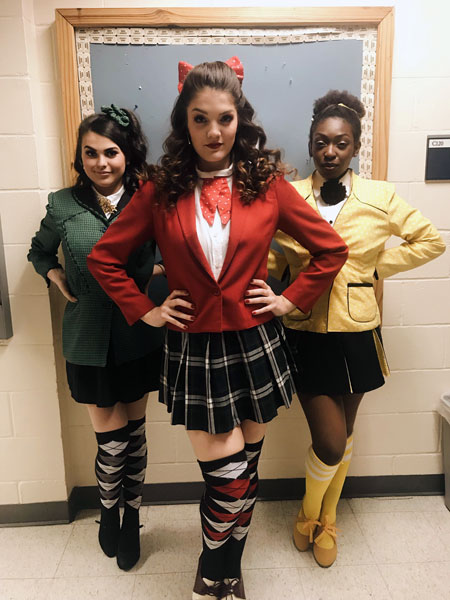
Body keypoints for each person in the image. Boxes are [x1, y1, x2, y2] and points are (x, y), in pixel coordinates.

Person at [87, 59, 348, 600]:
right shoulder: (159, 189)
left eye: (224, 119)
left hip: (257, 344)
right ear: (185, 119)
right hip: (196, 348)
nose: (213, 132)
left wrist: (286, 300)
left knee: (245, 472)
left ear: (239, 118)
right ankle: (210, 573)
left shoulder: (268, 184)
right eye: (200, 118)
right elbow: (105, 258)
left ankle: (231, 571)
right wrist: (147, 309)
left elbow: (330, 250)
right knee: (227, 479)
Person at [268, 89, 446, 568]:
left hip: (359, 330)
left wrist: (372, 268)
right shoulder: (289, 198)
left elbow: (430, 241)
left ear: (354, 147)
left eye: (341, 144)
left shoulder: (379, 196)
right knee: (327, 440)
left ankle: (325, 522)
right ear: (310, 143)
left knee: (345, 435)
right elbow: (270, 257)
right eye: (322, 142)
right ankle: (307, 516)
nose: (330, 151)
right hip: (305, 331)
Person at [28, 105, 165, 571]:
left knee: (136, 434)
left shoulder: (150, 199)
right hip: (87, 337)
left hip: (139, 335)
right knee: (112, 440)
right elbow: (39, 249)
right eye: (90, 153)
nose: (101, 162)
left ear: (127, 154)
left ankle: (132, 515)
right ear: (79, 157)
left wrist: (153, 279)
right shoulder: (62, 204)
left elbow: (169, 251)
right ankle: (109, 507)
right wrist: (55, 276)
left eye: (111, 152)